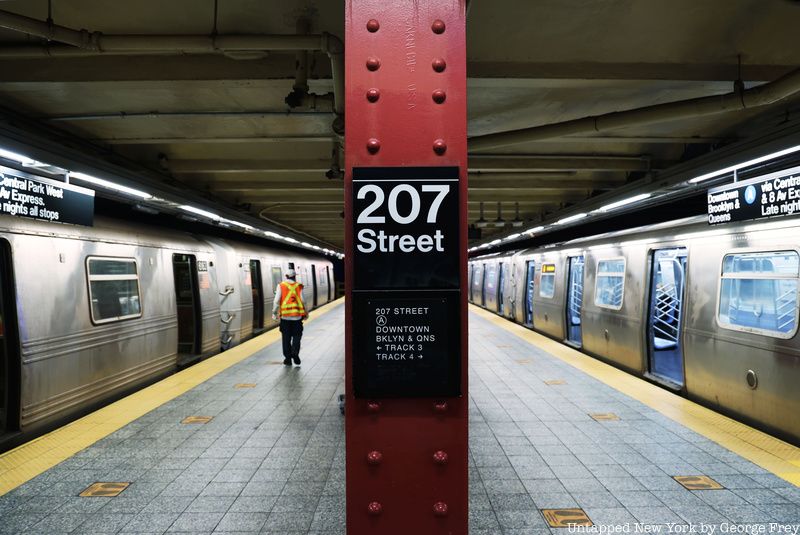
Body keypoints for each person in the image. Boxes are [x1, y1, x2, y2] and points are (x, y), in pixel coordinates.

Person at [272, 269, 308, 365]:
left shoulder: (281, 286)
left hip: (285, 318)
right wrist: (306, 313)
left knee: (286, 338)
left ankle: (288, 359)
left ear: (286, 276)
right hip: (297, 318)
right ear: (294, 276)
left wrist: (274, 313)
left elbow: (276, 301)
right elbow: (303, 301)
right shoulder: (299, 286)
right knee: (297, 337)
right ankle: (295, 353)